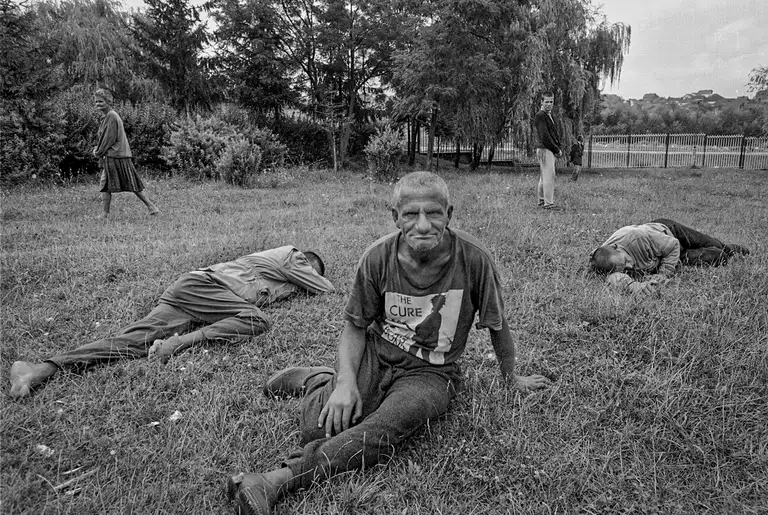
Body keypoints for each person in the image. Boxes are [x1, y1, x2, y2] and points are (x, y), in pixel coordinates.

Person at [226, 172, 551, 515]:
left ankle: (275, 480)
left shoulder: (473, 259)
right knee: (315, 428)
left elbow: (497, 325)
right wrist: (346, 383)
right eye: (411, 214)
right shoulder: (377, 257)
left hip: (431, 374)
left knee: (383, 429)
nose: (423, 225)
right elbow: (354, 327)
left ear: (449, 214)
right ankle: (318, 380)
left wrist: (510, 376)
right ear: (394, 216)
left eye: (434, 213)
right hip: (376, 353)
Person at [9, 246, 335, 398]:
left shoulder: (272, 274)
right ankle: (176, 345)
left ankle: (41, 369)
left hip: (191, 293)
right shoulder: (292, 255)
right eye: (309, 271)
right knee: (256, 319)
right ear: (306, 263)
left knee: (131, 341)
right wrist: (309, 277)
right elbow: (325, 289)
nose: (306, 278)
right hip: (204, 288)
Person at [589, 218, 750, 295]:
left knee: (710, 242)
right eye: (624, 269)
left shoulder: (637, 237)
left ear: (617, 247)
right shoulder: (604, 258)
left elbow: (673, 244)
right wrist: (634, 287)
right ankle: (723, 254)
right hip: (666, 254)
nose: (630, 266)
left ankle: (731, 248)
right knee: (716, 257)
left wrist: (663, 274)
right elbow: (614, 277)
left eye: (627, 261)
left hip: (670, 233)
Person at [92, 88, 159, 218]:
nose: (98, 104)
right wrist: (99, 149)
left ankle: (152, 207)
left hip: (117, 155)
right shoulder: (107, 116)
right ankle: (105, 214)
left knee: (132, 183)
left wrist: (98, 151)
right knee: (105, 184)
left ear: (108, 101)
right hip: (114, 155)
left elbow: (108, 139)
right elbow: (105, 138)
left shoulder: (111, 116)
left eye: (100, 101)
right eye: (96, 102)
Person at [534, 91, 562, 210]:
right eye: (547, 102)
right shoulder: (541, 115)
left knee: (544, 175)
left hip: (545, 148)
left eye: (551, 102)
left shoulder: (548, 115)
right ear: (541, 102)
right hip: (545, 148)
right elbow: (545, 136)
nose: (549, 104)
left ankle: (541, 200)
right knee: (549, 176)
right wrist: (556, 149)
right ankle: (548, 204)